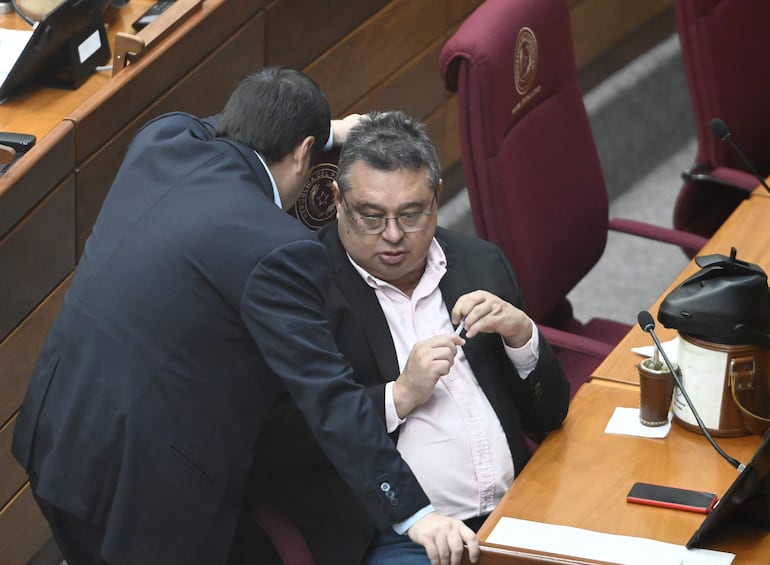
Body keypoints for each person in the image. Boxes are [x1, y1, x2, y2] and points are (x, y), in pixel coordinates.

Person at [11, 68, 479, 565]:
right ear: (304, 154)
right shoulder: (279, 249)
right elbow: (330, 396)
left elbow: (220, 123)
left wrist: (328, 131)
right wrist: (413, 513)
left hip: (56, 436)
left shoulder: (163, 139)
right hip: (142, 493)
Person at [250, 111, 571, 564]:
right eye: (371, 217)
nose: (394, 236)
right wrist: (399, 396)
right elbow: (279, 443)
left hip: (516, 508)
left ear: (436, 199)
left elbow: (551, 412)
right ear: (338, 200)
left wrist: (522, 337)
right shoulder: (304, 293)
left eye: (411, 214)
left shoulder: (480, 263)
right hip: (397, 535)